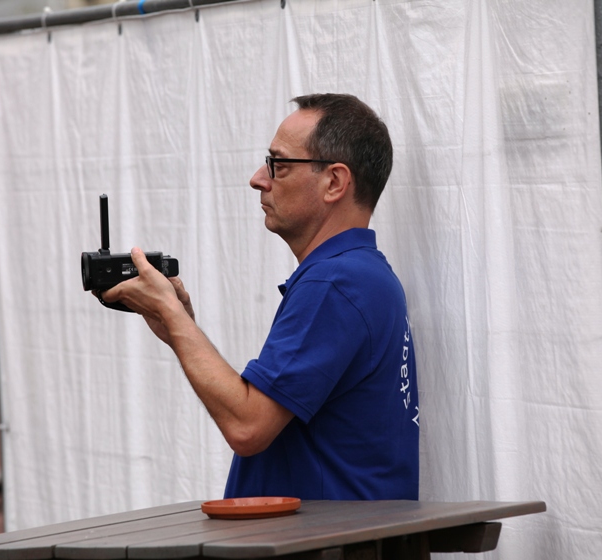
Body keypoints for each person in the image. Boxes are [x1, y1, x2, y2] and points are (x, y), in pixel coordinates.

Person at [102, 93, 419, 500]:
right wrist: (174, 324)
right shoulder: (363, 275)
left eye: (278, 165)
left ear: (334, 182)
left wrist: (172, 314)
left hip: (325, 534)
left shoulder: (335, 282)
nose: (258, 178)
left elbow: (248, 426)